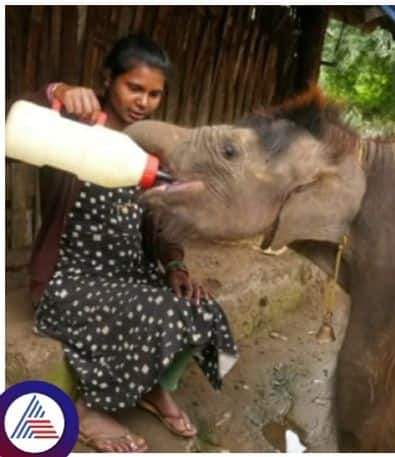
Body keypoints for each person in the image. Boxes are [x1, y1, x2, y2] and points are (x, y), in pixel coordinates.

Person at [26, 34, 239, 452]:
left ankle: (151, 387)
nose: (144, 101)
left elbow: (161, 223)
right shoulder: (75, 127)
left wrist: (175, 265)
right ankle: (90, 409)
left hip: (127, 277)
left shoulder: (152, 149)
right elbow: (12, 121)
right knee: (159, 311)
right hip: (71, 282)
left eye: (155, 94)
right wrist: (57, 92)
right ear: (108, 80)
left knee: (201, 307)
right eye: (134, 88)